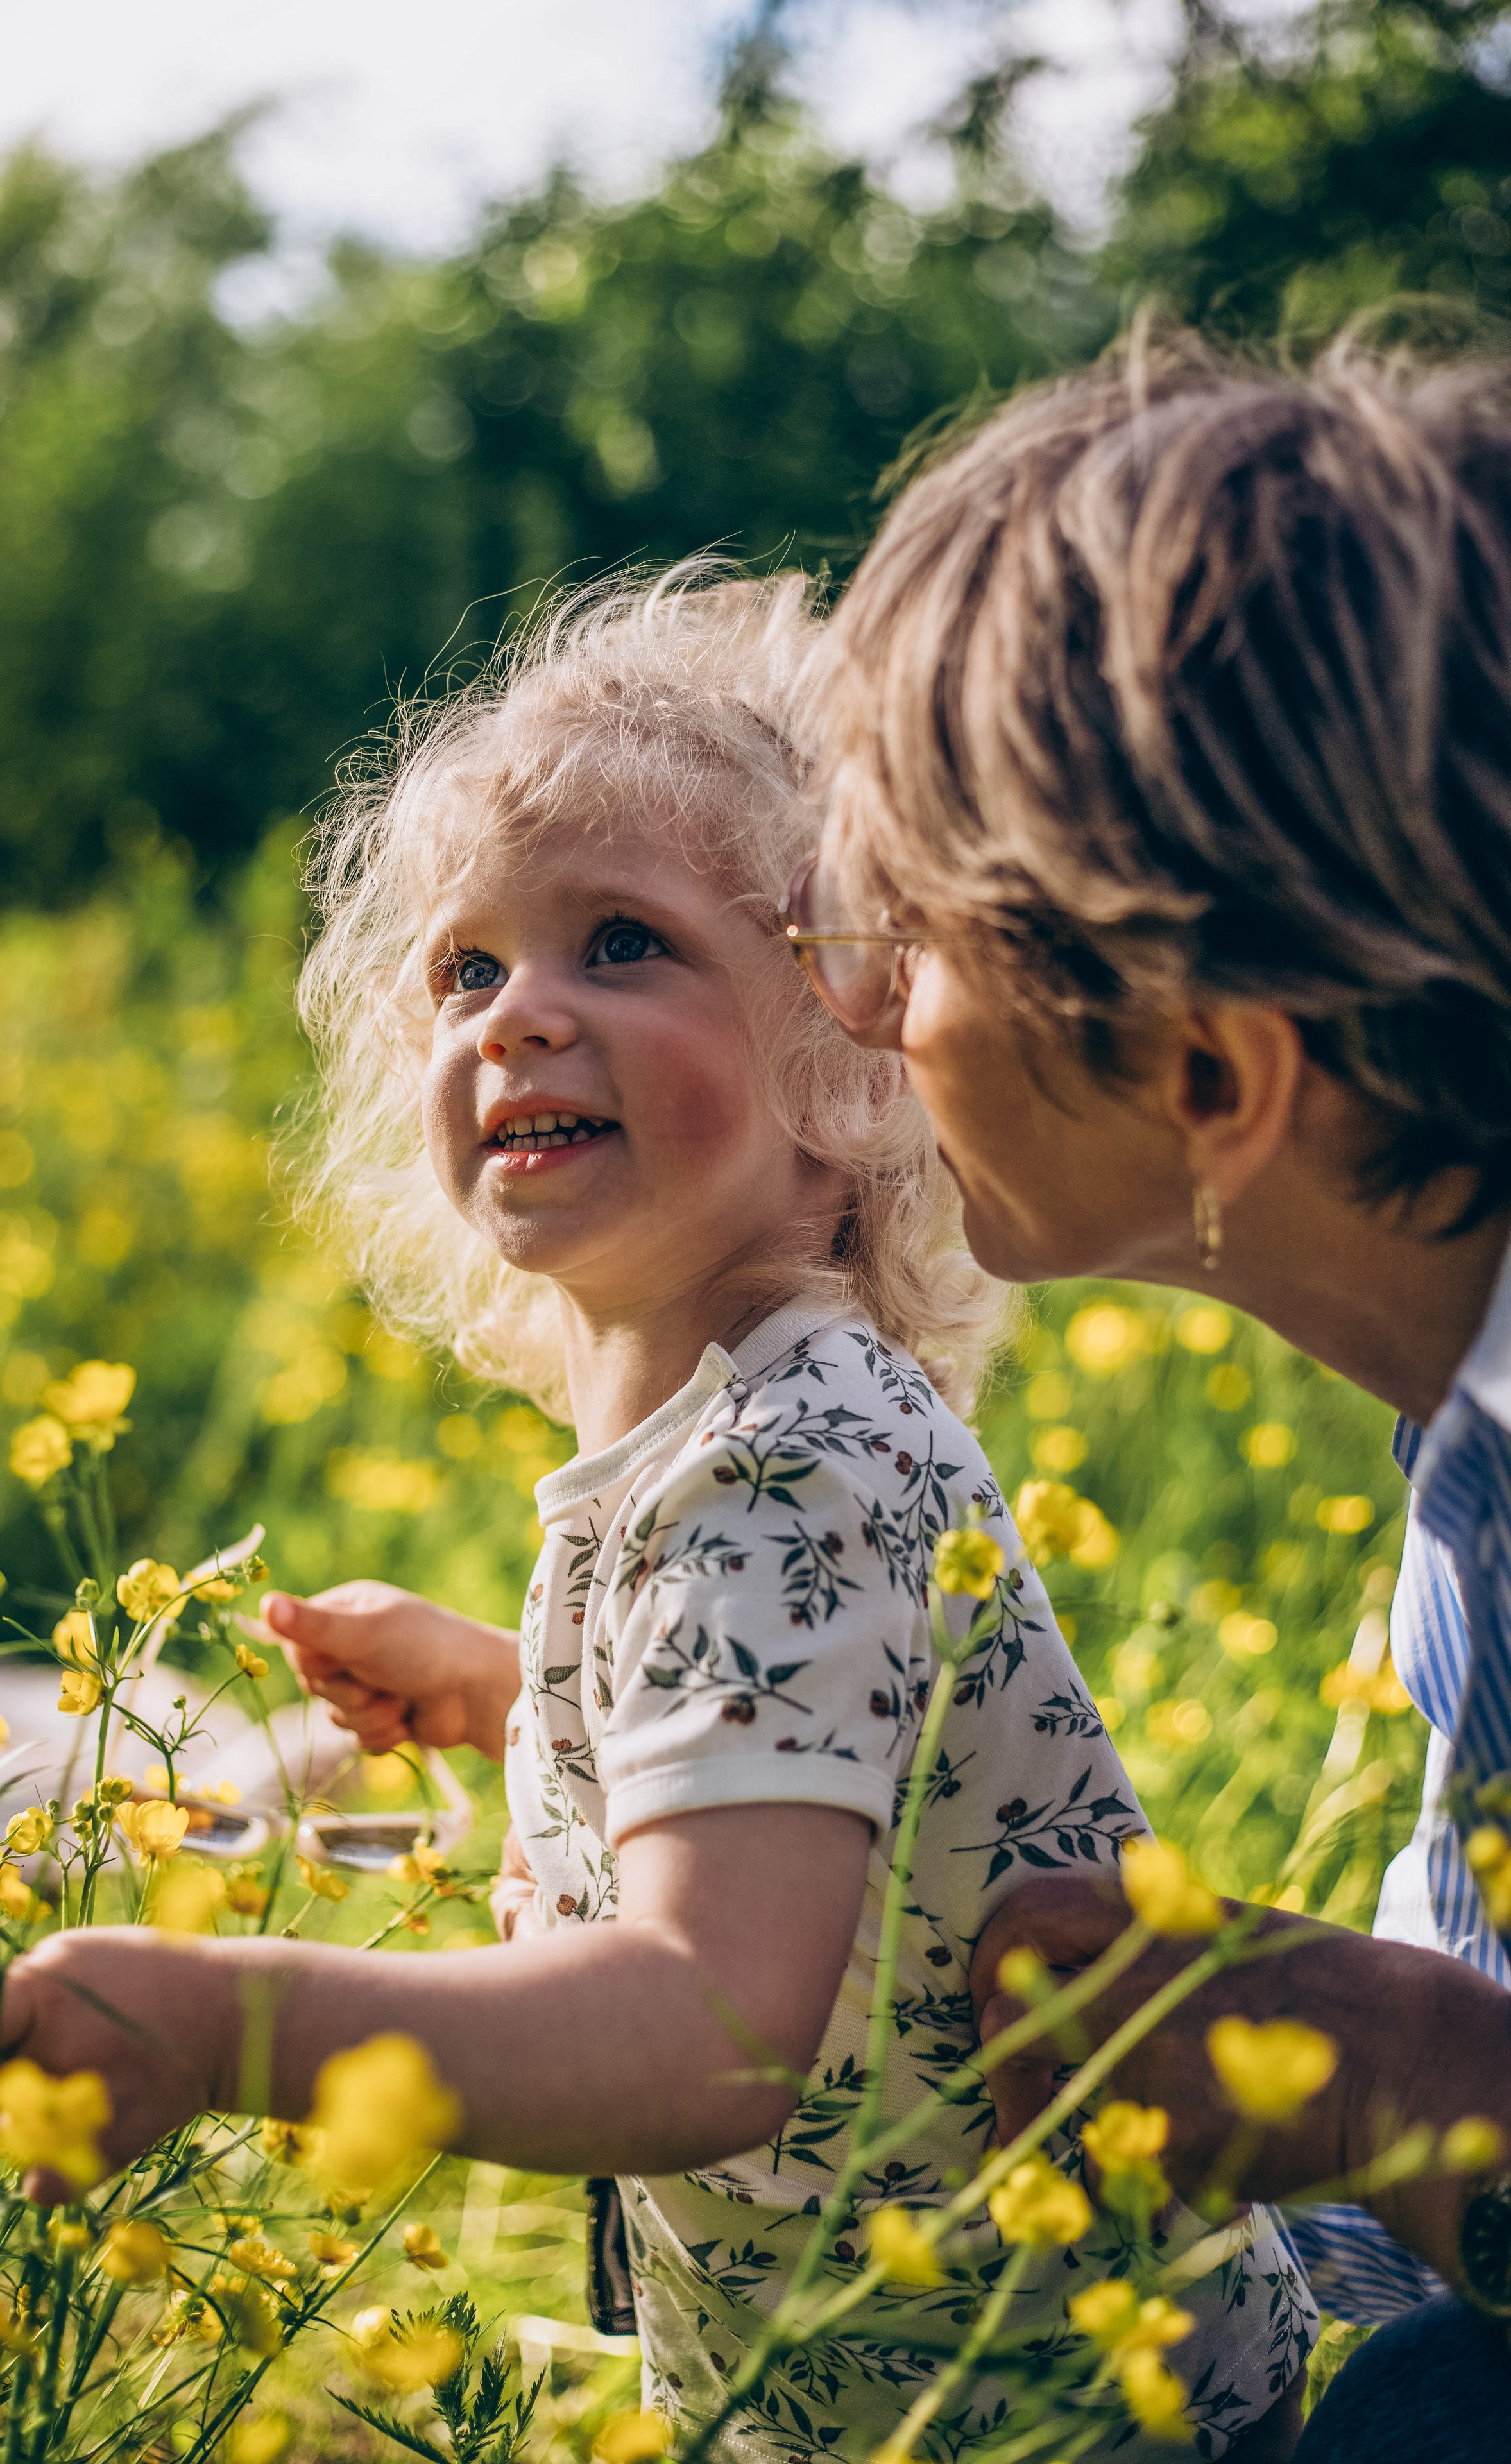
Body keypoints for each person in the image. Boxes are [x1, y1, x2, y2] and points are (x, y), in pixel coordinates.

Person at [0, 576, 1307, 2458]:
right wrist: (519, 1697)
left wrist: (230, 2026)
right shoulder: (733, 1440)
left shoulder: (784, 1462)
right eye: (466, 970)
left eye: (622, 944)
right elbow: (802, 1792)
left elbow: (702, 2033)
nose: (519, 1018)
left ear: (850, 1048)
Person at [788, 328, 1511, 2458]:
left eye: (906, 935)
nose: (862, 1003)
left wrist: (1421, 2087)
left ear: (1212, 1078)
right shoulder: (1460, 1421)